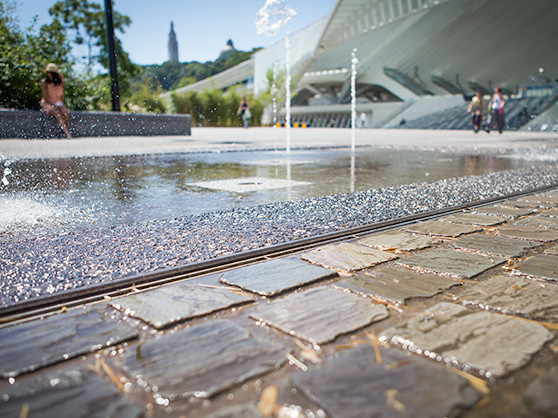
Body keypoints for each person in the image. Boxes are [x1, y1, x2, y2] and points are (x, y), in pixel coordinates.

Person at [40, 63, 71, 138]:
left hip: (58, 102)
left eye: (50, 73)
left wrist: (60, 105)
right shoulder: (44, 82)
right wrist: (53, 105)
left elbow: (61, 96)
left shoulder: (61, 83)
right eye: (47, 73)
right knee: (57, 113)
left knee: (64, 112)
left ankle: (65, 129)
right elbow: (45, 97)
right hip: (47, 103)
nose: (48, 74)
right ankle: (66, 133)